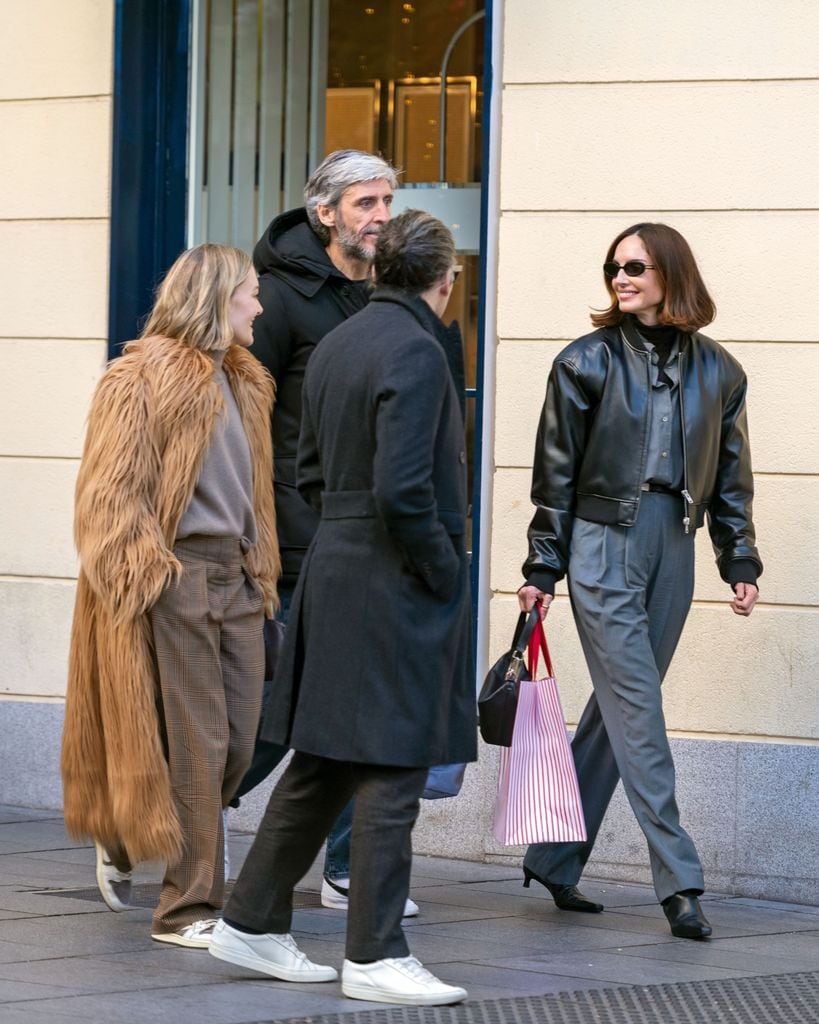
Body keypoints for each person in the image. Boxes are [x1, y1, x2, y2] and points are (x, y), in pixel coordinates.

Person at [209, 210, 476, 1006]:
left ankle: (251, 920)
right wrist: (440, 571)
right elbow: (405, 489)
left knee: (324, 759)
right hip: (392, 575)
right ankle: (375, 954)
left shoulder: (338, 344)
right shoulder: (417, 348)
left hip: (335, 563)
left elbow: (311, 470)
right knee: (393, 763)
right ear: (444, 278)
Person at [517, 223, 762, 941]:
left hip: (673, 546)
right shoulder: (583, 362)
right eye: (612, 267)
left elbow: (730, 478)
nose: (619, 278)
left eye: (634, 267)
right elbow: (553, 474)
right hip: (600, 542)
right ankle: (679, 879)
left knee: (622, 708)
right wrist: (542, 566)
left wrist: (737, 558)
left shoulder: (720, 371)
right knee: (640, 710)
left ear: (670, 276)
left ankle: (556, 859)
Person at [60, 244, 280, 947]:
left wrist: (256, 569)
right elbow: (108, 496)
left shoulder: (245, 383)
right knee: (199, 744)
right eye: (250, 292)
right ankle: (186, 909)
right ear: (217, 298)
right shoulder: (136, 379)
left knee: (241, 741)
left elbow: (254, 495)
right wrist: (151, 575)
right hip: (176, 573)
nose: (260, 305)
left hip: (237, 577)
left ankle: (129, 834)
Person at [232, 149, 417, 915]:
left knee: (348, 702)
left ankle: (344, 868)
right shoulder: (279, 300)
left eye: (385, 201)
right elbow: (245, 419)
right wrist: (267, 522)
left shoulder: (391, 291)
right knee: (285, 710)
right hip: (299, 534)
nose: (378, 215)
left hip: (371, 534)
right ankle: (171, 812)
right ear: (325, 213)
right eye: (365, 203)